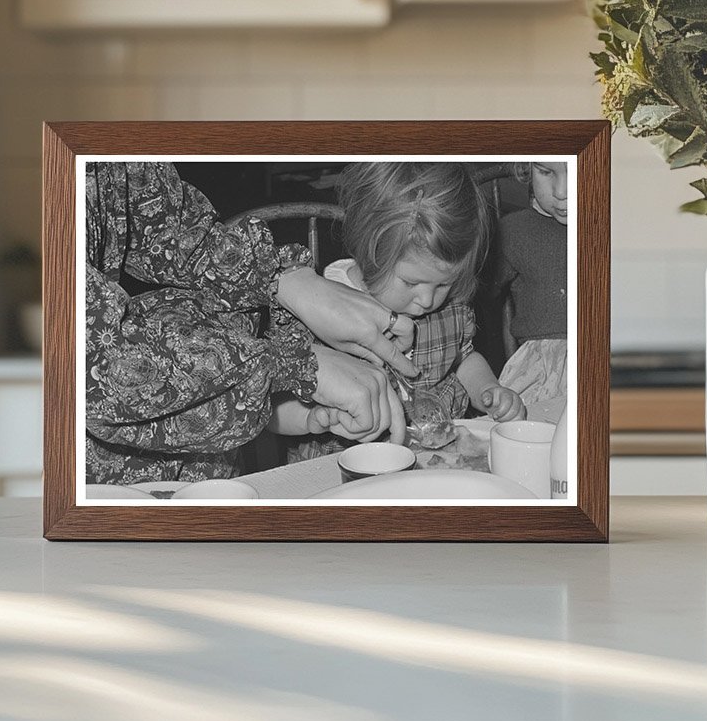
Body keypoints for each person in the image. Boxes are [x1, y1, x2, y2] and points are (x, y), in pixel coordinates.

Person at [84, 161, 416, 484]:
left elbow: (167, 226)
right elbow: (89, 366)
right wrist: (295, 364)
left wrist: (290, 282)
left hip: (203, 476)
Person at [281, 162, 525, 461]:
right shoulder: (319, 311)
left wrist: (489, 390)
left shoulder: (448, 307)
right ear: (369, 250)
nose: (426, 299)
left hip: (437, 462)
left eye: (443, 284)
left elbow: (463, 359)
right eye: (411, 282)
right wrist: (312, 417)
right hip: (345, 468)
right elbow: (273, 410)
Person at [490, 161, 568, 405]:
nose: (561, 191)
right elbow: (471, 295)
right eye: (545, 172)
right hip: (543, 371)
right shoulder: (513, 231)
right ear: (527, 168)